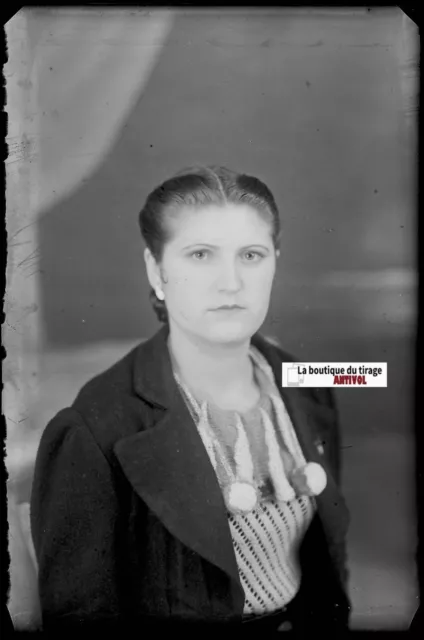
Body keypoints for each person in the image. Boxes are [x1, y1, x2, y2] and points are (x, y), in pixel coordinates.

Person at [30, 164, 351, 635]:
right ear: (156, 269)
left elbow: (329, 568)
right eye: (200, 255)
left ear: (276, 262)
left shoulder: (309, 382)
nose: (231, 282)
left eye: (252, 255)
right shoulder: (94, 427)